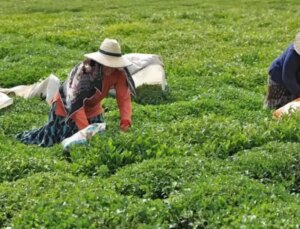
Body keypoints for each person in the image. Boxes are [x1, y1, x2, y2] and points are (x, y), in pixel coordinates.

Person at [16, 38, 136, 147]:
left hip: (93, 109)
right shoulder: (84, 72)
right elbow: (75, 104)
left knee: (99, 138)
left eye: (113, 64)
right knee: (58, 141)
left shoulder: (119, 74)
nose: (110, 68)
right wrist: (86, 132)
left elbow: (124, 99)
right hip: (67, 108)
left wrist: (125, 124)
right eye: (107, 64)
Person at [264, 32, 300, 109]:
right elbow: (287, 77)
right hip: (279, 76)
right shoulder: (293, 55)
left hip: (295, 75)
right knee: (279, 105)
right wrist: (298, 92)